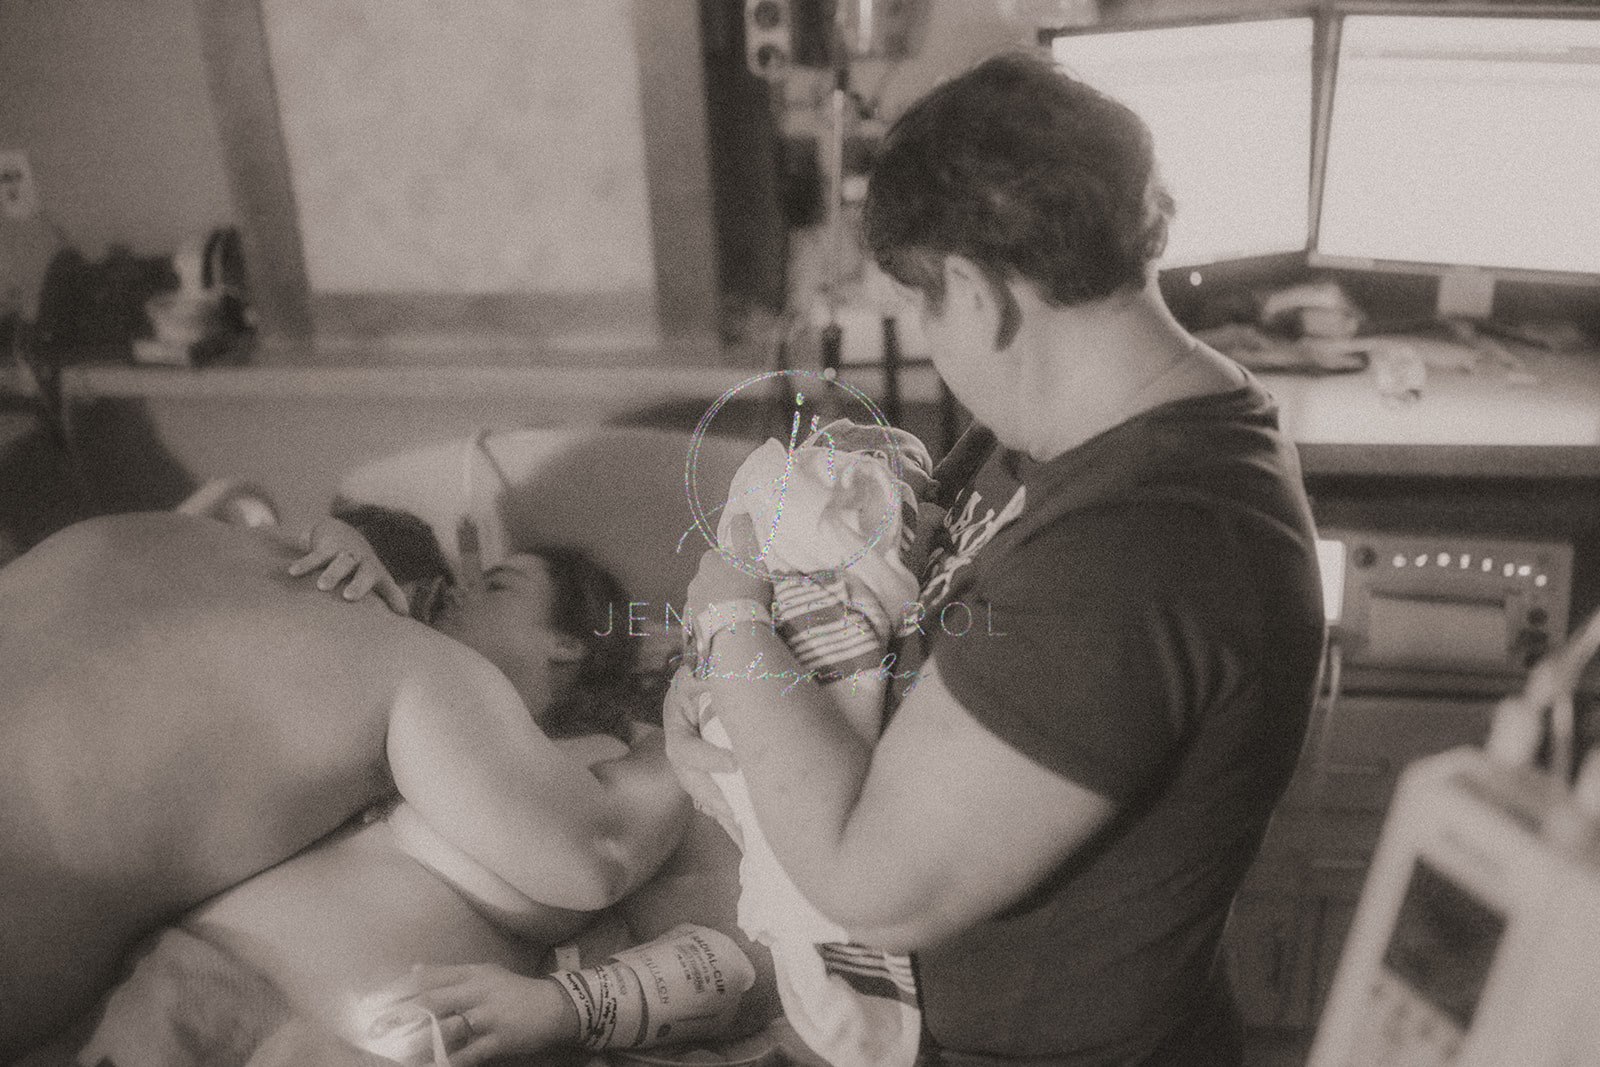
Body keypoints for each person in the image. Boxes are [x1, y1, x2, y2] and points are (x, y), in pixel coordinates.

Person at [662, 52, 1326, 1066]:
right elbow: (885, 607)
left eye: (923, 306)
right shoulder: (1053, 432)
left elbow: (867, 879)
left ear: (976, 293)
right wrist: (721, 689)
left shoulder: (1142, 551)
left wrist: (729, 622)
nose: (931, 339)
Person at [0, 509, 691, 1062]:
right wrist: (698, 711)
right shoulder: (403, 664)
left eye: (499, 584)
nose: (456, 589)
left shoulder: (171, 540)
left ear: (566, 643)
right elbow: (598, 851)